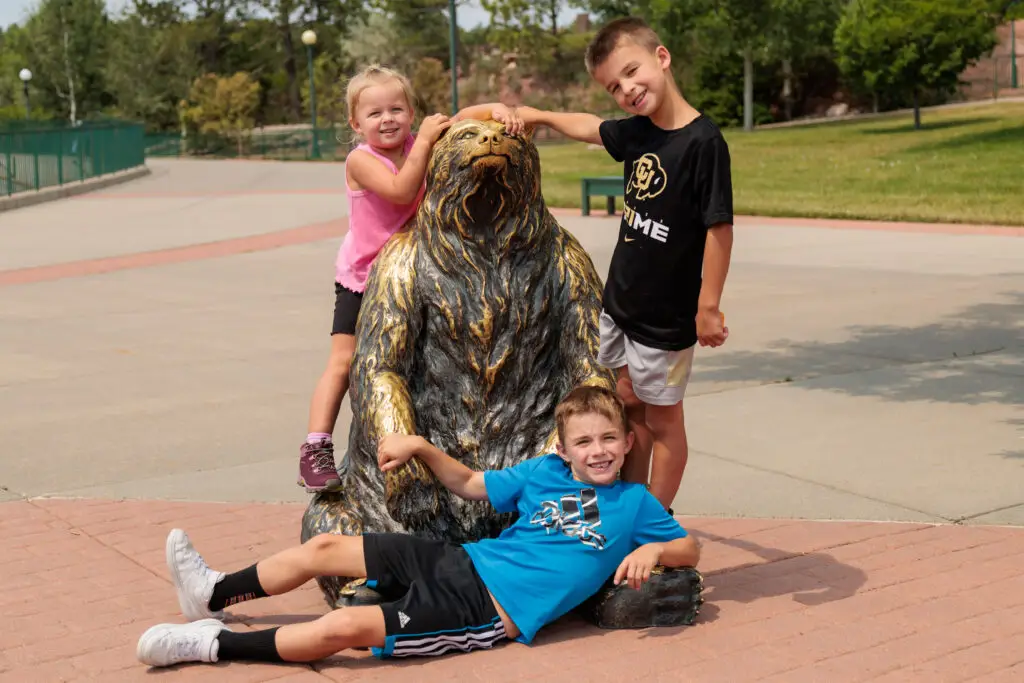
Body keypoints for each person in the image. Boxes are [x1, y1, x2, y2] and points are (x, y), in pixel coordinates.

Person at [136, 386, 701, 668]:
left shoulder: (633, 503)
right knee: (325, 545)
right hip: (461, 561)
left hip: (484, 614)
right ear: (565, 447)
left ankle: (212, 645)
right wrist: (420, 446)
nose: (598, 451)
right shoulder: (543, 471)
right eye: (584, 441)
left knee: (344, 630)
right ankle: (213, 591)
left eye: (609, 440)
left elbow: (688, 546)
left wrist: (656, 553)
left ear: (629, 443)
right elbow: (473, 484)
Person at [455, 16, 735, 511]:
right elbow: (588, 127)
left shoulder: (703, 143)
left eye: (632, 72)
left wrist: (707, 306)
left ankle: (656, 519)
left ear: (662, 58)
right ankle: (627, 505)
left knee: (665, 421)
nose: (627, 89)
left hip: (665, 320)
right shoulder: (639, 133)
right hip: (622, 306)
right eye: (614, 86)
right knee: (628, 406)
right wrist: (539, 114)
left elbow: (719, 228)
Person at [299, 64, 451, 492]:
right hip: (363, 280)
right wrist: (424, 141)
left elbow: (460, 121)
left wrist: (497, 110)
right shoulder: (361, 160)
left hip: (413, 280)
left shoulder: (418, 145)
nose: (388, 119)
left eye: (397, 109)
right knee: (345, 362)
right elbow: (403, 191)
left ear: (412, 111)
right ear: (355, 123)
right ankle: (315, 447)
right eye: (375, 113)